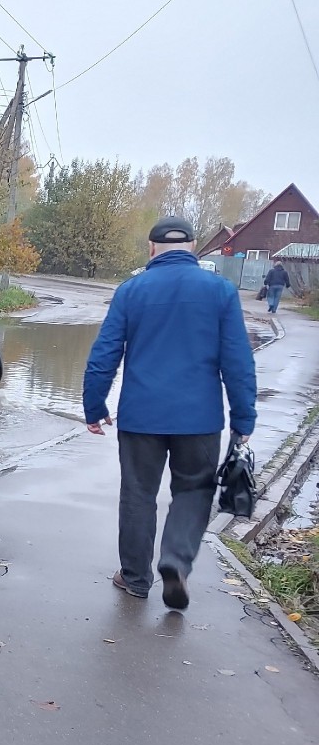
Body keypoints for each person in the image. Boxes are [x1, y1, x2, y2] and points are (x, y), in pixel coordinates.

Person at [83, 216, 257, 610]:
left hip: (141, 416)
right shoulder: (221, 292)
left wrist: (95, 405)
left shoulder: (131, 291)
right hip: (200, 420)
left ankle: (135, 579)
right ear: (194, 248)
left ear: (151, 248)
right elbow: (238, 362)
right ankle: (176, 562)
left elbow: (104, 354)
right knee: (193, 491)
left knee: (138, 494)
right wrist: (243, 420)